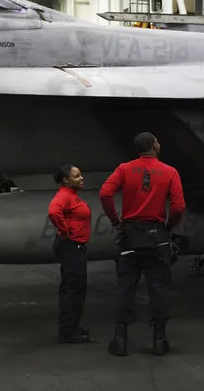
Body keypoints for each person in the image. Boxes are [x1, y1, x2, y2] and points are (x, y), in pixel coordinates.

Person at [99, 132, 186, 357]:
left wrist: (115, 221)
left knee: (126, 288)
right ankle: (159, 340)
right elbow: (178, 207)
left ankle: (120, 339)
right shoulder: (170, 172)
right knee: (159, 289)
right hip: (156, 237)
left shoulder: (124, 169)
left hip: (129, 235)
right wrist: (168, 227)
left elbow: (105, 193)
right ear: (154, 146)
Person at [47, 165, 92, 344]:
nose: (81, 178)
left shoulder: (71, 195)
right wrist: (65, 230)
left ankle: (71, 327)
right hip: (71, 247)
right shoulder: (64, 196)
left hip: (74, 247)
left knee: (74, 288)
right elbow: (53, 211)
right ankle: (68, 332)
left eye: (81, 174)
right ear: (66, 180)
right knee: (73, 289)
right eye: (77, 176)